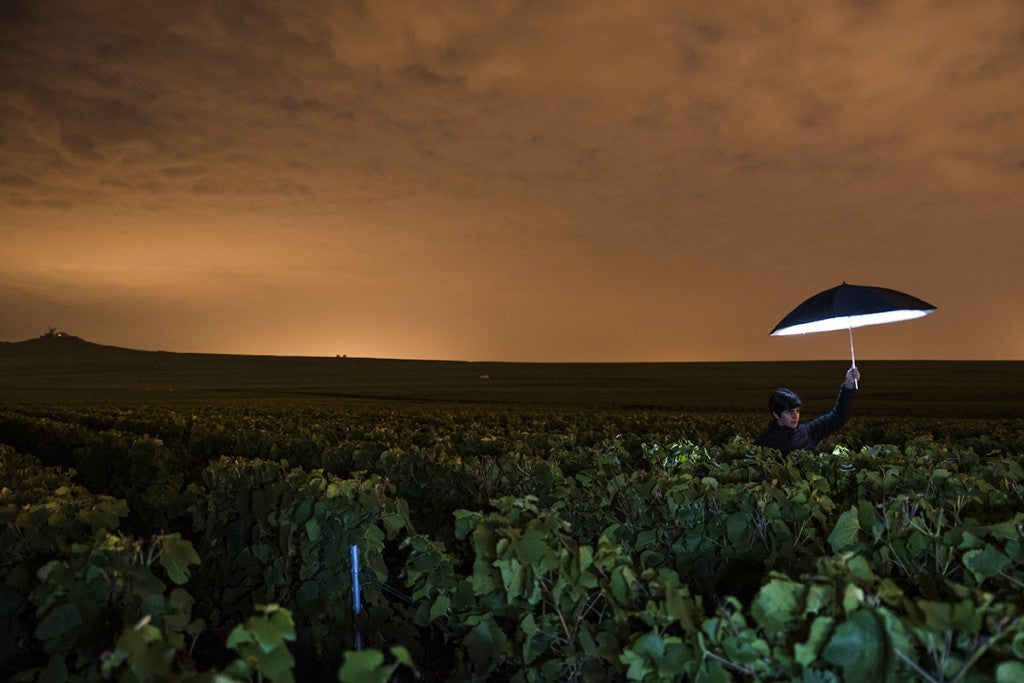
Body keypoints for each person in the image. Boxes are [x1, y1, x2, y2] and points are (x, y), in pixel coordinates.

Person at [755, 365, 860, 453]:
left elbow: (838, 416)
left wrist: (848, 385)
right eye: (790, 412)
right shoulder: (764, 445)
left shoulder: (807, 432)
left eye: (797, 411)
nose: (795, 416)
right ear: (776, 414)